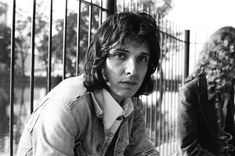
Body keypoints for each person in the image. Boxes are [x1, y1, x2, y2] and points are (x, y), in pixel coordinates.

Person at [16, 12, 161, 156]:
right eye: (120, 55)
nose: (133, 70)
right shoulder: (66, 107)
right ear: (101, 59)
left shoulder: (131, 103)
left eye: (142, 59)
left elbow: (143, 151)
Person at [177, 26, 235, 156]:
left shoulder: (227, 88)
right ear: (224, 60)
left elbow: (230, 134)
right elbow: (188, 149)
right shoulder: (189, 92)